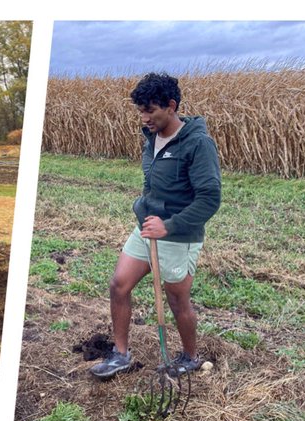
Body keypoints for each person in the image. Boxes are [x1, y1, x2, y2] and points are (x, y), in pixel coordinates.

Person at [90, 72, 220, 379]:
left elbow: (210, 198)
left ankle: (189, 356)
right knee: (119, 285)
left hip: (178, 235)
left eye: (150, 110)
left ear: (171, 105)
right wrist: (146, 210)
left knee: (177, 300)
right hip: (146, 228)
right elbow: (153, 184)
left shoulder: (197, 143)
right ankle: (120, 355)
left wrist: (170, 226)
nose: (144, 116)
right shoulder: (151, 138)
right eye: (140, 110)